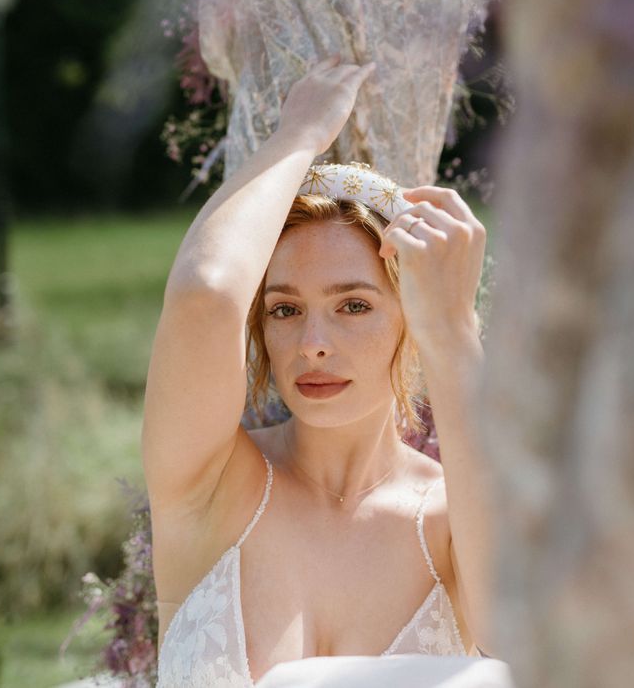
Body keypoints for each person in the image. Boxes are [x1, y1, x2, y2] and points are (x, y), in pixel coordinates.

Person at [142, 54, 494, 687]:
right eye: (284, 310)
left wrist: (454, 326)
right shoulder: (208, 484)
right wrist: (297, 136)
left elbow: (527, 641)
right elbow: (207, 296)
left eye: (353, 305)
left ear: (409, 322)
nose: (313, 344)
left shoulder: (451, 523)